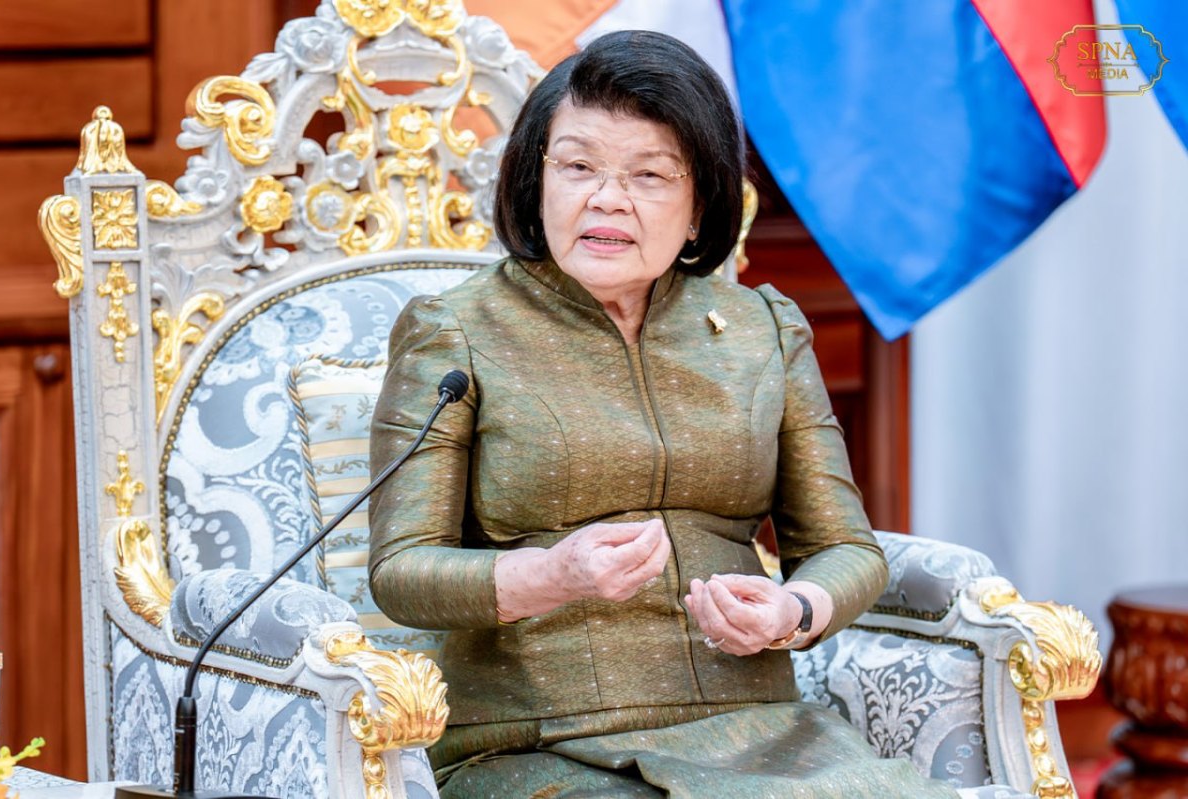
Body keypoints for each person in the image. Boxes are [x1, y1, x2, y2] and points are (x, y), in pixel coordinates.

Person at [369, 30, 958, 799]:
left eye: (648, 174)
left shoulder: (762, 330)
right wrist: (550, 575)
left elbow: (845, 548)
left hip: (759, 729)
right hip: (533, 738)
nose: (606, 198)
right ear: (535, 180)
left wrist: (792, 609)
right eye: (577, 166)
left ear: (699, 206)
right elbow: (401, 571)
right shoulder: (455, 330)